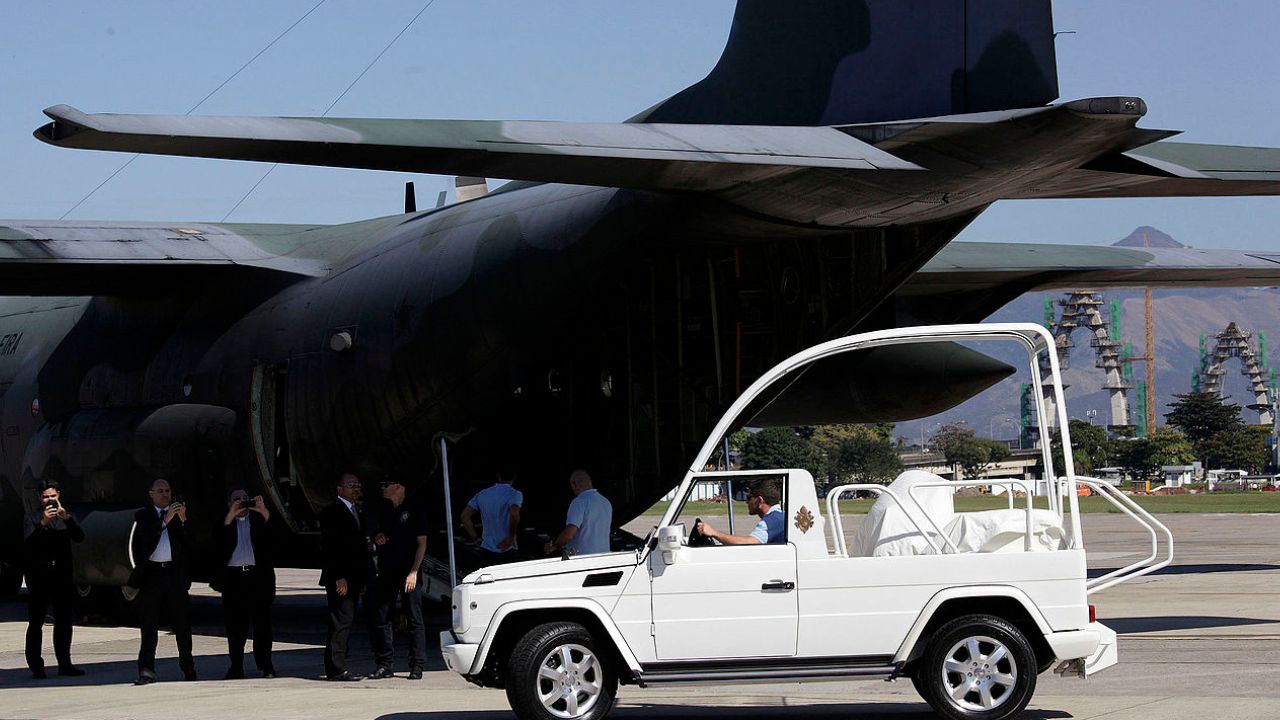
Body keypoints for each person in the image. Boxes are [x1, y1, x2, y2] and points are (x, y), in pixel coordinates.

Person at [130, 478, 196, 684]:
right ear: (151, 493)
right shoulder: (143, 516)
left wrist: (183, 520)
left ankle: (188, 668)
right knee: (149, 626)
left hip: (174, 575)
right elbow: (145, 540)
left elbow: (190, 546)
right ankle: (147, 670)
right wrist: (165, 521)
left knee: (182, 625)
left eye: (167, 490)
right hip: (152, 575)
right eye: (160, 491)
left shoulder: (178, 515)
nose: (165, 494)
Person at [23, 481, 85, 679]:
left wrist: (67, 519)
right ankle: (36, 666)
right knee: (36, 622)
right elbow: (27, 544)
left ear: (59, 494)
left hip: (62, 576)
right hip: (39, 576)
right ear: (40, 499)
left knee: (64, 621)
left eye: (52, 496)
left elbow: (79, 537)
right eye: (45, 497)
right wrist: (43, 523)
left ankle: (65, 663)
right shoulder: (31, 518)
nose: (49, 500)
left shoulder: (66, 516)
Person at [367, 479, 428, 680]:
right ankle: (385, 663)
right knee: (383, 615)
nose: (382, 488)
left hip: (408, 569)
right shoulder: (382, 509)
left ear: (399, 486)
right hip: (387, 568)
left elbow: (422, 544)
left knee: (413, 616)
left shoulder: (414, 508)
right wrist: (378, 536)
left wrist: (414, 572)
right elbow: (374, 529)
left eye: (387, 484)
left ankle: (417, 664)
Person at [217, 488, 276, 679]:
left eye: (245, 499)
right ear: (229, 503)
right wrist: (231, 515)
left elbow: (275, 538)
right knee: (235, 627)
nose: (242, 502)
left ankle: (265, 664)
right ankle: (236, 666)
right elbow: (217, 540)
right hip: (234, 579)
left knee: (263, 626)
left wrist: (262, 510)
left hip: (257, 578)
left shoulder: (259, 521)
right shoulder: (225, 523)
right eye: (237, 499)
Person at [319, 472, 370, 681]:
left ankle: (339, 663)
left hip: (355, 577)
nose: (355, 488)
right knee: (340, 622)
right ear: (339, 489)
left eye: (357, 484)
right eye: (350, 485)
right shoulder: (332, 512)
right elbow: (329, 548)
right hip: (341, 578)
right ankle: (335, 668)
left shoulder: (356, 510)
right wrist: (338, 576)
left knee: (346, 622)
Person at [461, 465, 522, 565]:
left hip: (487, 548)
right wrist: (511, 537)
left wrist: (475, 538)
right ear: (514, 478)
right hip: (508, 548)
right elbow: (514, 514)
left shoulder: (483, 494)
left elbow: (464, 517)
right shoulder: (515, 494)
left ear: (498, 476)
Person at [694, 478, 785, 545]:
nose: (746, 502)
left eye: (749, 498)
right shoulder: (780, 517)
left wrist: (714, 533)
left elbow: (749, 543)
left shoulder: (771, 521)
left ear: (759, 501)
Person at [544, 469, 612, 556]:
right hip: (604, 557)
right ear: (590, 482)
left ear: (574, 484)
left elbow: (569, 534)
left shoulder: (579, 501)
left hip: (582, 559)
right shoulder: (605, 502)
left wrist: (554, 546)